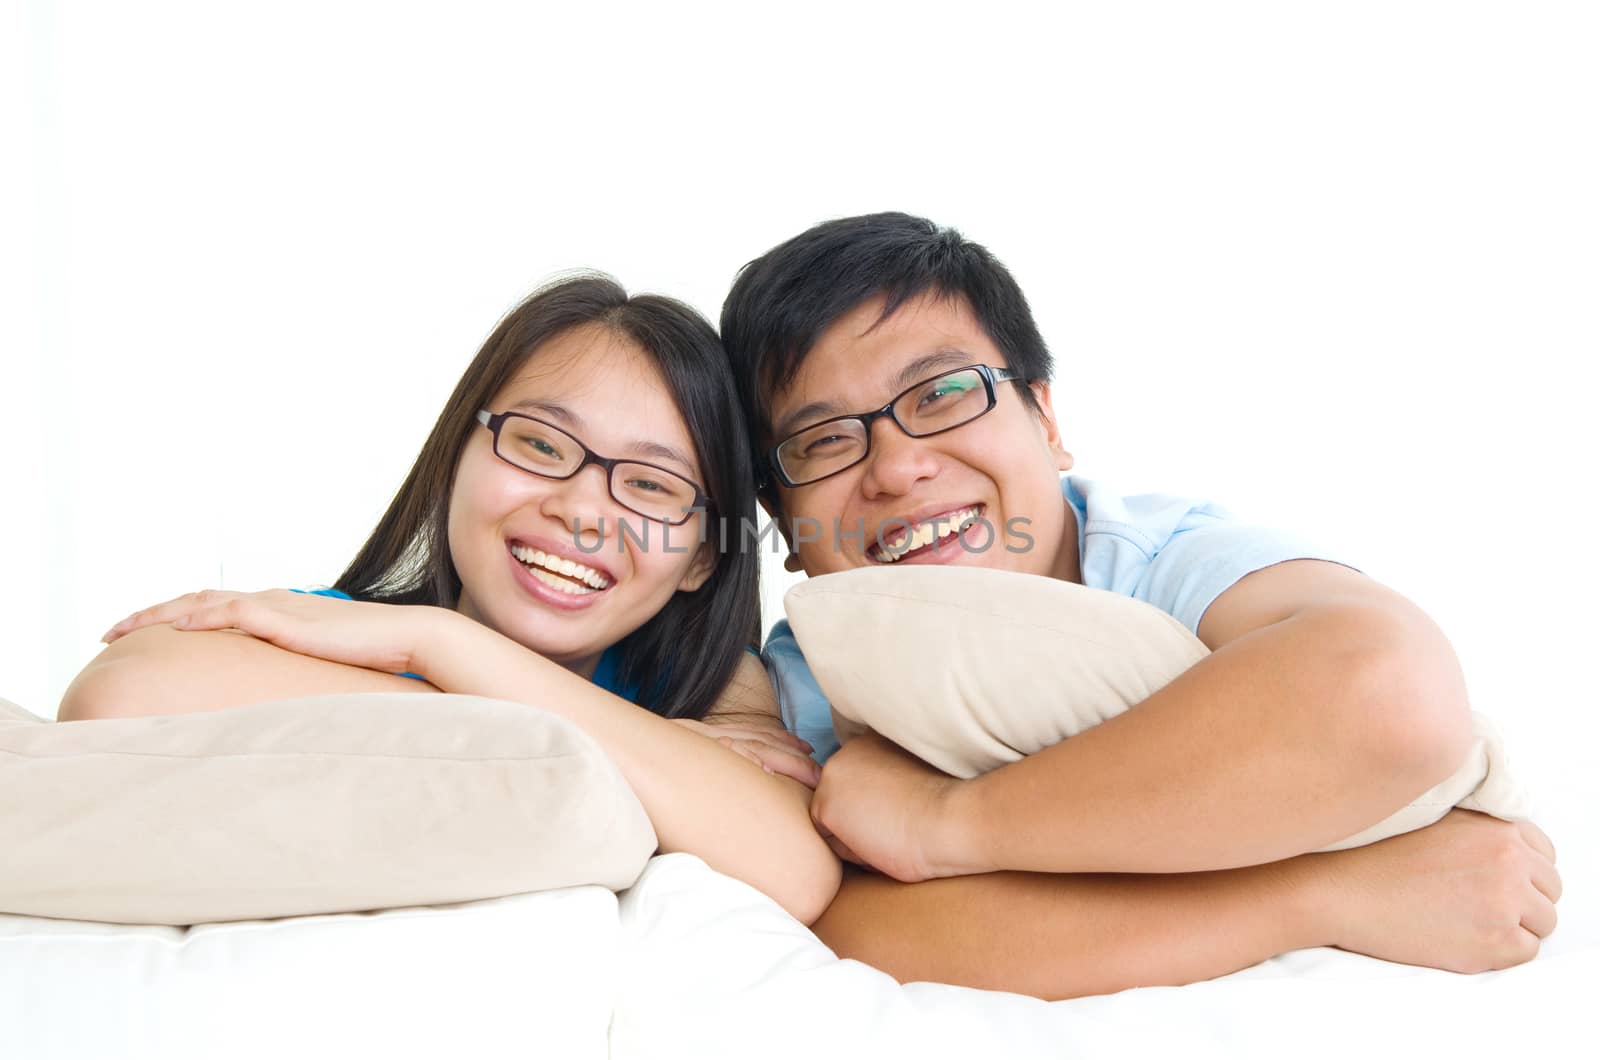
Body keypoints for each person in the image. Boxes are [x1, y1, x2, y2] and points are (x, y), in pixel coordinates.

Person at [718, 212, 1562, 998]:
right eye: (822, 440)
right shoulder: (813, 668)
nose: (897, 467)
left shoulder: (1166, 558)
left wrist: (947, 824)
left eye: (942, 394)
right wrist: (1319, 895)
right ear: (784, 527)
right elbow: (861, 925)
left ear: (1045, 420)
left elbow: (1391, 696)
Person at [61, 273, 840, 925]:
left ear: (702, 556)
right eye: (539, 444)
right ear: (456, 457)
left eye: (650, 484)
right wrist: (445, 649)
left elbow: (790, 870)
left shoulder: (711, 694)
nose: (582, 508)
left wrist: (450, 647)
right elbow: (118, 694)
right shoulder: (337, 630)